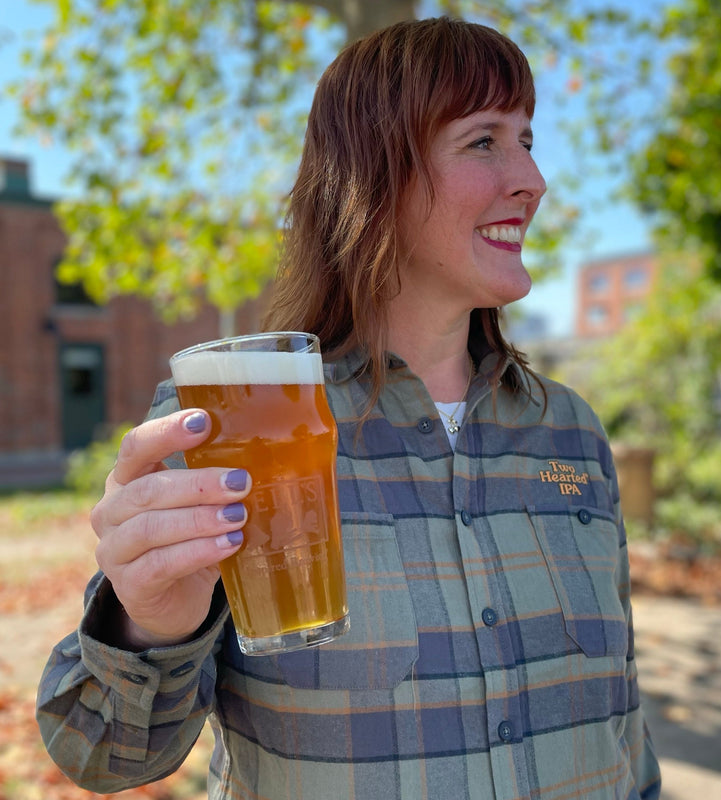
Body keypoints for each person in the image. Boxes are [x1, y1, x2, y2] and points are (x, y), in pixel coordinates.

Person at [37, 16, 661, 800]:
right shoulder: (226, 426)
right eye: (483, 142)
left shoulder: (571, 431)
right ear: (376, 173)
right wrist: (149, 625)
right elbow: (97, 755)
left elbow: (624, 724)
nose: (532, 180)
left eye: (527, 140)